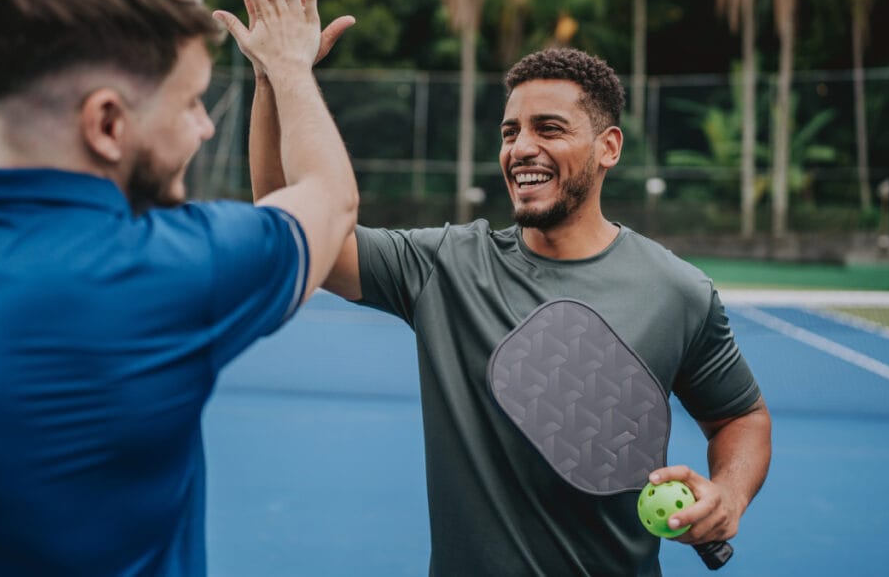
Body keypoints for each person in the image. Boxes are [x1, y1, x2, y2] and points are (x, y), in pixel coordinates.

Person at [249, 40, 772, 574]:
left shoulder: (679, 291)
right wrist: (273, 76)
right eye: (510, 132)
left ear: (608, 147)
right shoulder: (442, 266)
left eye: (549, 129)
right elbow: (292, 227)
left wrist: (730, 494)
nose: (521, 147)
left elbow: (740, 416)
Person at [0, 0, 357, 575]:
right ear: (108, 125)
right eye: (190, 101)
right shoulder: (172, 270)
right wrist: (287, 68)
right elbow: (330, 199)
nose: (203, 125)